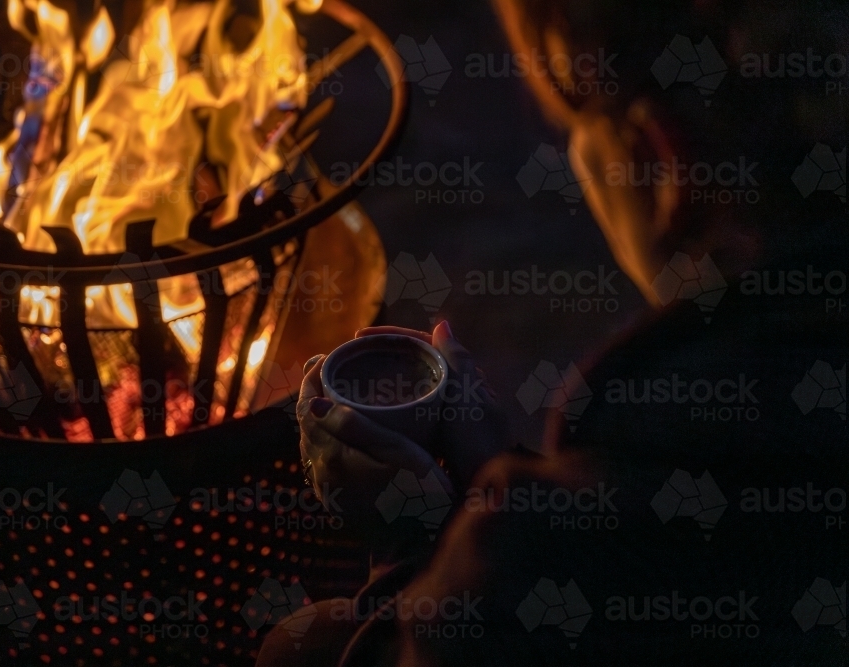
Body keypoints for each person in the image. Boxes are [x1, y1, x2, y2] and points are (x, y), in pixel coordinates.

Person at [257, 1, 847, 665]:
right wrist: (500, 487)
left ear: (662, 166)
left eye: (580, 128)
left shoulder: (559, 554)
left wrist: (416, 538)